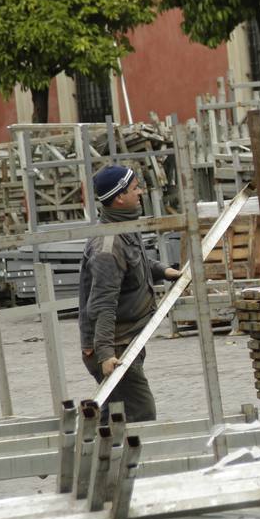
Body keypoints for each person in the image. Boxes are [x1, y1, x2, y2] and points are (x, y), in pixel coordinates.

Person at [78, 165, 181, 422]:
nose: (141, 192)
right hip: (116, 348)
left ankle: (95, 456)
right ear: (119, 197)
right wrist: (105, 355)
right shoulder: (107, 247)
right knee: (141, 413)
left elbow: (137, 262)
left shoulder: (124, 225)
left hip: (128, 340)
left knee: (115, 415)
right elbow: (102, 305)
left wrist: (164, 271)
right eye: (135, 188)